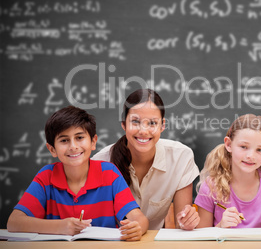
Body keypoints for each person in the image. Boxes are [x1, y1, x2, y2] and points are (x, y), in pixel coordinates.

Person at [7, 106, 148, 241]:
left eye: (79, 137)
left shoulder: (109, 173)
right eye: (64, 140)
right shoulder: (46, 177)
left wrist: (137, 228)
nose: (73, 146)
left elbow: (139, 218)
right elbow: (14, 222)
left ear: (93, 142)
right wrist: (60, 227)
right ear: (52, 149)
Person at [92, 89, 200, 230]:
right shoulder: (101, 162)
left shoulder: (180, 157)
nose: (143, 131)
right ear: (123, 124)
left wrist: (187, 220)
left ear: (162, 125)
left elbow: (181, 223)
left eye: (152, 123)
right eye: (135, 122)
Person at [194, 114, 261, 229]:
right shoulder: (211, 186)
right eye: (244, 147)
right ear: (229, 145)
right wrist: (220, 227)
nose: (250, 156)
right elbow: (202, 240)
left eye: (259, 150)